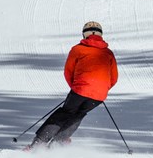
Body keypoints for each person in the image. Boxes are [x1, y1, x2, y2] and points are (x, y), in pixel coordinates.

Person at [27, 22, 119, 150]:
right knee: (79, 114)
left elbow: (68, 72)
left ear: (85, 34)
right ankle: (57, 143)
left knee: (64, 113)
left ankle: (38, 143)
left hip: (80, 90)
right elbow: (114, 78)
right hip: (99, 96)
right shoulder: (108, 53)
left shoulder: (78, 49)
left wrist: (77, 88)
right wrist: (100, 89)